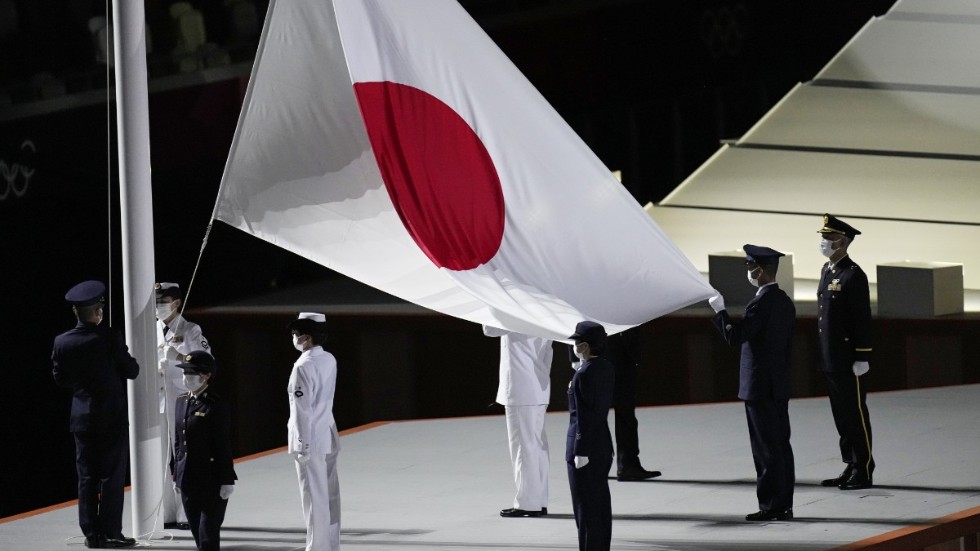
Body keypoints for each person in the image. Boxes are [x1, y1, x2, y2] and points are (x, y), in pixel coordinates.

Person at [708, 245, 796, 521]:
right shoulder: (784, 301)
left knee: (765, 448)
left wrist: (720, 312)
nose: (749, 272)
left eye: (750, 267)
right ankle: (783, 503)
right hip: (778, 382)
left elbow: (737, 337)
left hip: (760, 385)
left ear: (760, 270)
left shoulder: (761, 303)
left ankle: (771, 505)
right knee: (781, 445)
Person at [51, 280, 139, 549]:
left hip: (81, 418)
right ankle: (111, 532)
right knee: (111, 476)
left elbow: (60, 379)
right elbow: (131, 370)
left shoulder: (62, 342)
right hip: (110, 418)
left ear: (75, 313)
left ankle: (92, 535)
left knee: (86, 477)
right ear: (98, 311)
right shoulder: (109, 337)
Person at [816, 214, 875, 490]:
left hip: (849, 359)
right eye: (823, 238)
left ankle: (863, 468)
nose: (823, 242)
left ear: (842, 242)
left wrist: (862, 355)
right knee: (841, 415)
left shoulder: (853, 275)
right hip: (832, 357)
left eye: (828, 239)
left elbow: (862, 318)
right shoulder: (827, 271)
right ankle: (850, 463)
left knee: (855, 414)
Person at [155, 281, 211, 529]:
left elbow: (205, 362)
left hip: (181, 400)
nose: (158, 308)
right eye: (155, 303)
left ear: (176, 303)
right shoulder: (150, 329)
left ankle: (184, 512)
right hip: (157, 402)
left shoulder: (190, 330)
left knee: (182, 455)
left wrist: (178, 357)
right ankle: (164, 514)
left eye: (162, 302)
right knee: (159, 457)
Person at [482, 325, 553, 518]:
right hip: (538, 385)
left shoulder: (515, 311)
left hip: (520, 387)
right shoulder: (542, 311)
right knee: (537, 446)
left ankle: (528, 503)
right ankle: (539, 500)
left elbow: (488, 328)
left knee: (523, 447)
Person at [172, 350, 236, 551]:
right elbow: (178, 442)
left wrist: (226, 479)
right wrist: (176, 473)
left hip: (211, 478)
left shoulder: (216, 404)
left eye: (192, 373)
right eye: (185, 372)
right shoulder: (182, 401)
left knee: (208, 533)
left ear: (206, 375)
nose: (186, 377)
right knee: (196, 532)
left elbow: (223, 444)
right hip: (188, 477)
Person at [287, 312, 341, 551]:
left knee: (312, 496)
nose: (294, 338)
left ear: (306, 337)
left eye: (295, 334)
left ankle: (316, 547)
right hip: (327, 431)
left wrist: (302, 443)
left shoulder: (303, 366)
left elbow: (301, 408)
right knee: (329, 495)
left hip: (309, 438)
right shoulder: (329, 358)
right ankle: (330, 544)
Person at [566, 321, 615, 551]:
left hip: (586, 448)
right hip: (603, 445)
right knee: (601, 505)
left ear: (585, 347)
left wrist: (580, 450)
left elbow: (584, 416)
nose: (574, 346)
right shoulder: (605, 367)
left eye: (576, 343)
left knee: (586, 509)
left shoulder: (583, 375)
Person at [602, 328, 661, 481]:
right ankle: (594, 465)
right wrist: (574, 356)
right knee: (596, 416)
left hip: (625, 353)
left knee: (626, 414)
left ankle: (628, 465)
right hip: (597, 354)